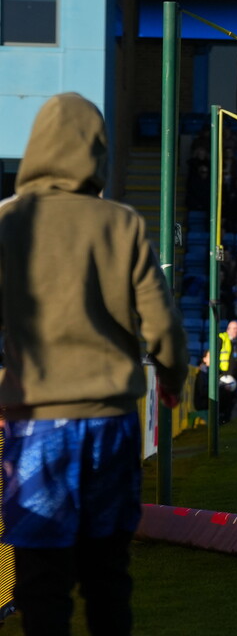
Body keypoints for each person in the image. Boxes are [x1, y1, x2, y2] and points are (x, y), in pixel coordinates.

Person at [0, 93, 188, 635]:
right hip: (109, 422)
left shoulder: (9, 222)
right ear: (97, 153)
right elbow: (163, 324)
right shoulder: (121, 223)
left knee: (41, 572)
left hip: (35, 423)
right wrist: (171, 379)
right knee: (107, 571)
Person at [217, 321, 237, 424]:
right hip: (223, 376)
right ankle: (220, 417)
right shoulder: (222, 339)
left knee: (232, 399)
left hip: (235, 376)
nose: (236, 331)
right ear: (228, 329)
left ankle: (227, 418)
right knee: (222, 397)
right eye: (234, 328)